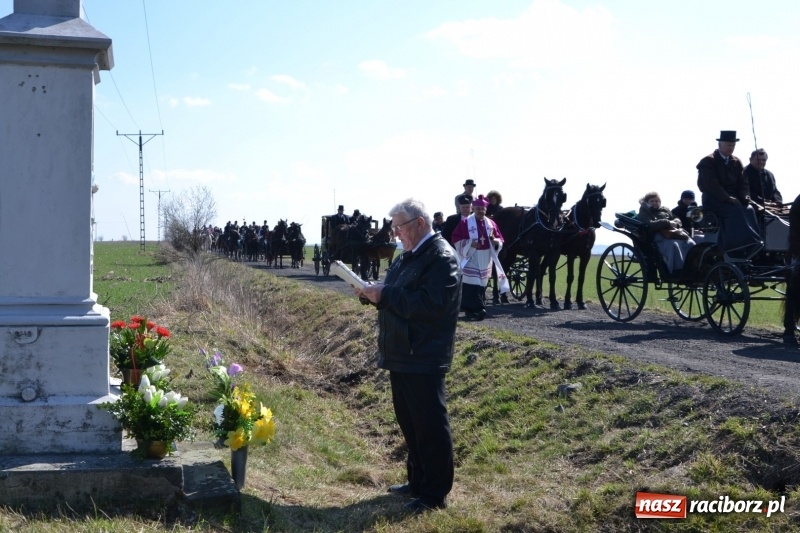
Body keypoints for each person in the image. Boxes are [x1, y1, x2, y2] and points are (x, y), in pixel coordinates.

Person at [356, 198, 460, 514]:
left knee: (429, 424)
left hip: (424, 354)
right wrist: (371, 293)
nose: (395, 233)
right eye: (394, 228)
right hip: (401, 352)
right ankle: (417, 482)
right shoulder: (407, 257)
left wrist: (385, 294)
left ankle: (434, 494)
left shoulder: (440, 257)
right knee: (410, 424)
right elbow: (395, 295)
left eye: (399, 227)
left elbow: (430, 306)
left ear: (418, 223)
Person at [696, 130, 762, 258]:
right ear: (720, 144)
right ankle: (735, 245)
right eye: (728, 145)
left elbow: (743, 183)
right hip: (713, 198)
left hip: (733, 198)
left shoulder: (736, 162)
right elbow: (712, 185)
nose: (731, 148)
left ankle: (754, 241)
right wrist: (727, 198)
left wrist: (745, 197)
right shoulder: (708, 162)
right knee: (734, 209)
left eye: (733, 146)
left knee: (749, 209)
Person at [451, 195, 506, 320]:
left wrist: (495, 241)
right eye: (478, 209)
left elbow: (500, 239)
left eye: (483, 209)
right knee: (472, 283)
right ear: (473, 209)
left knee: (481, 283)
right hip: (471, 256)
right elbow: (456, 238)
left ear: (485, 210)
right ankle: (478, 309)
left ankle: (473, 309)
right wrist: (470, 243)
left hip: (485, 256)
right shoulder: (465, 223)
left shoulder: (491, 224)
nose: (481, 211)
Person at [638, 192, 696, 273]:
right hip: (657, 235)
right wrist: (667, 223)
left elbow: (676, 218)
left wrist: (676, 223)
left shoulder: (665, 209)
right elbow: (649, 224)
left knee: (691, 243)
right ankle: (677, 270)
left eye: (657, 201)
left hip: (673, 232)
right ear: (647, 202)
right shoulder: (644, 211)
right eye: (652, 201)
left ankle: (692, 269)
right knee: (673, 245)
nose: (655, 203)